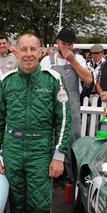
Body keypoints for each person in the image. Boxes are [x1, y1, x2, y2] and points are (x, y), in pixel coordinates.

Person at [0, 33, 71, 213]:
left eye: (32, 49)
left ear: (41, 52)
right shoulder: (6, 81)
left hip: (40, 152)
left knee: (39, 204)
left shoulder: (53, 80)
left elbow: (64, 120)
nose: (28, 53)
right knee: (18, 205)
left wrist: (59, 156)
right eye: (23, 49)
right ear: (15, 52)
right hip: (13, 150)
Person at [40, 28, 92, 181]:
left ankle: (71, 178)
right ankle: (50, 175)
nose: (66, 48)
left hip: (72, 106)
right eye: (63, 44)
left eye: (70, 44)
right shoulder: (47, 61)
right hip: (50, 106)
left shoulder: (80, 60)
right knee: (51, 137)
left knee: (72, 139)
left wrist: (73, 60)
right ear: (57, 42)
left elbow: (89, 80)